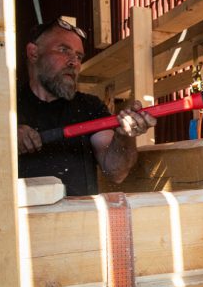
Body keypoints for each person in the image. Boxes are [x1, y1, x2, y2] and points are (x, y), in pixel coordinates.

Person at [18, 17, 156, 195]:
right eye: (63, 50)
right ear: (33, 53)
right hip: (19, 220)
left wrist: (124, 137)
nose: (73, 62)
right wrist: (5, 139)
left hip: (81, 219)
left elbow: (116, 172)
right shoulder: (3, 104)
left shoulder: (90, 107)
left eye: (78, 56)